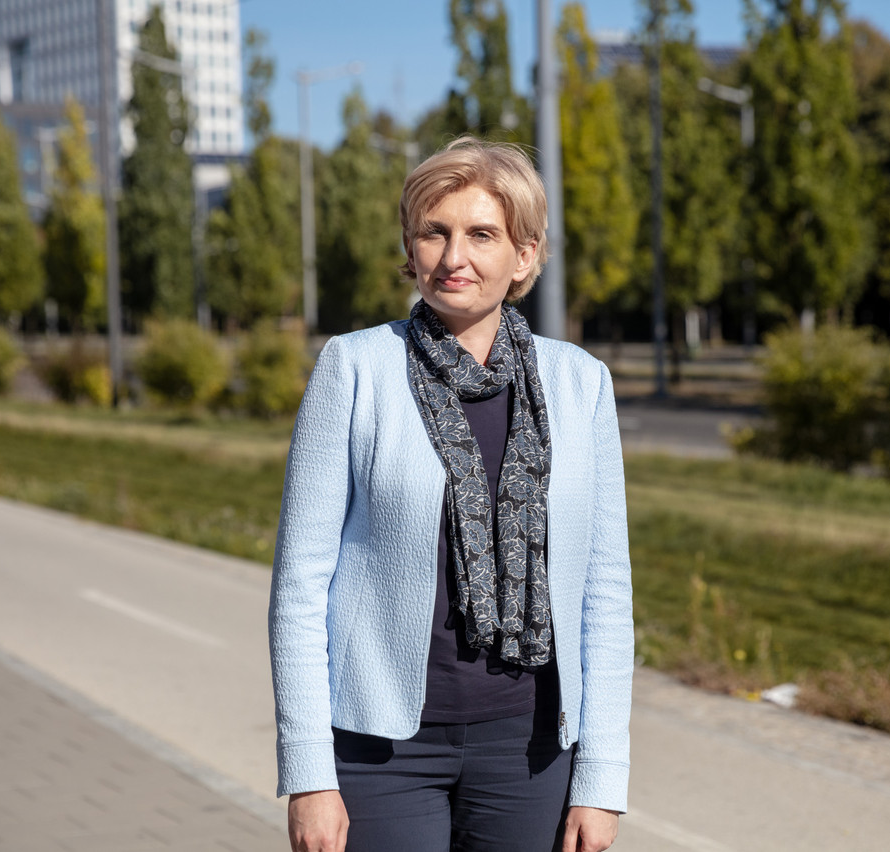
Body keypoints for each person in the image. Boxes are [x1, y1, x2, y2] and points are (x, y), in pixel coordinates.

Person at [268, 137, 633, 852]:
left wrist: (602, 777)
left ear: (525, 255)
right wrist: (309, 774)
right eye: (434, 232)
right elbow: (300, 588)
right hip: (382, 749)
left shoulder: (580, 383)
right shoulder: (356, 368)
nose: (453, 256)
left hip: (529, 750)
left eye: (482, 234)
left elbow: (604, 589)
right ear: (411, 249)